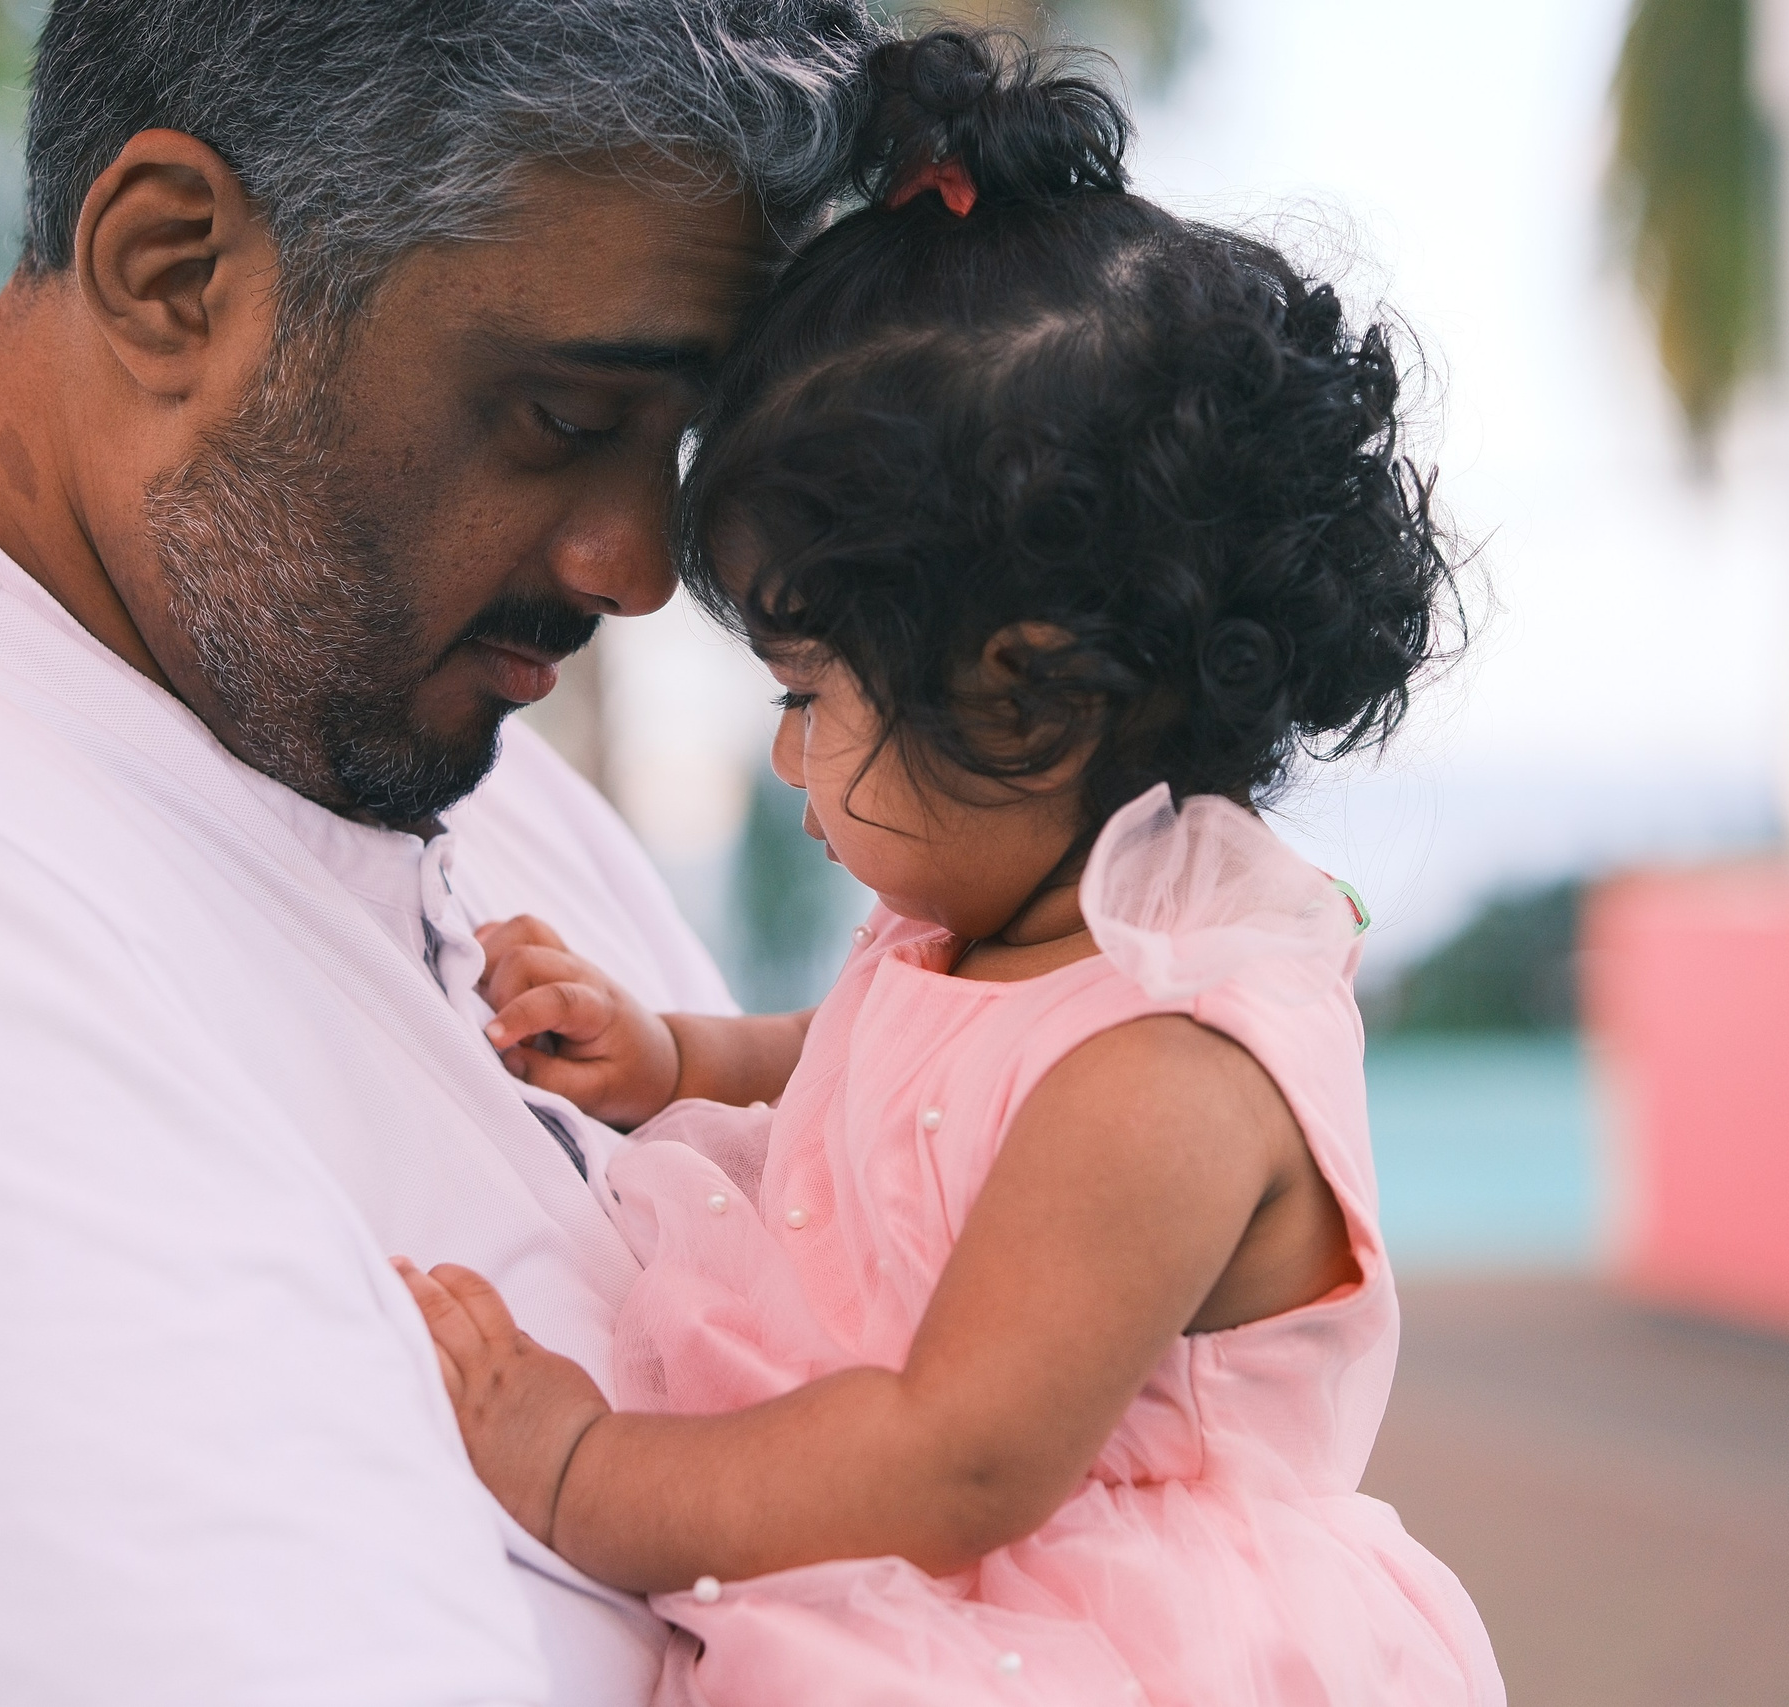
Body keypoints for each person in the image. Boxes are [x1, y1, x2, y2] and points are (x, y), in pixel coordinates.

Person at [0, 3, 890, 1702]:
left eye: (679, 446)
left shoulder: (441, 771)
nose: (635, 563)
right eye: (566, 418)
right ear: (170, 270)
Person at [398, 31, 1506, 1707]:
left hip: (1081, 1639)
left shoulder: (1169, 1075)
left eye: (806, 693)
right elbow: (889, 1073)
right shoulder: (983, 932)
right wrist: (681, 1059)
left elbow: (955, 1458)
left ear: (1026, 685)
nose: (784, 758)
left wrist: (583, 1478)